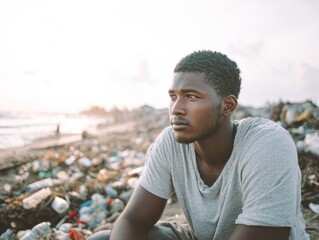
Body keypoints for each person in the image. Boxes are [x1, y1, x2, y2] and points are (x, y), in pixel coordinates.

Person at [88, 50, 310, 240]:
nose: (176, 108)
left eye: (191, 97)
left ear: (227, 105)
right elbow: (133, 220)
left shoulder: (267, 144)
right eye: (173, 96)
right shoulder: (170, 143)